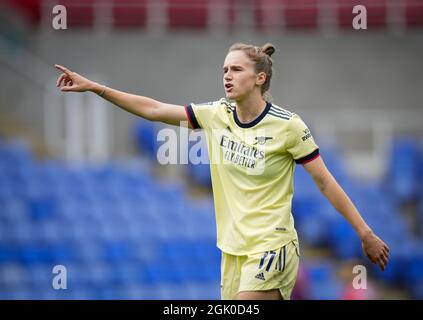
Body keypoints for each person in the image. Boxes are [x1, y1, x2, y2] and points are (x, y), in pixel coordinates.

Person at [54, 42, 389, 300]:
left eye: (237, 69)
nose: (227, 76)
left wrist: (364, 232)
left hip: (272, 247)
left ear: (260, 78)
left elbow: (325, 182)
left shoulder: (288, 126)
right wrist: (97, 88)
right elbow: (154, 109)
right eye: (224, 69)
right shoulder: (216, 115)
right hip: (232, 251)